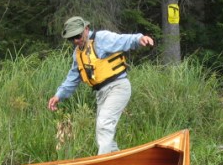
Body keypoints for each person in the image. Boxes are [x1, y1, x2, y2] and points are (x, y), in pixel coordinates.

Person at [48, 16, 154, 154]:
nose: (76, 41)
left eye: (78, 36)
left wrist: (139, 39)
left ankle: (102, 164)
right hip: (101, 93)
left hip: (118, 87)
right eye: (71, 38)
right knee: (102, 134)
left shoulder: (101, 38)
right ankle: (117, 161)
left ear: (86, 29)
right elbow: (72, 78)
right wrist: (58, 96)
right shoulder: (77, 54)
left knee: (104, 125)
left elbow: (122, 40)